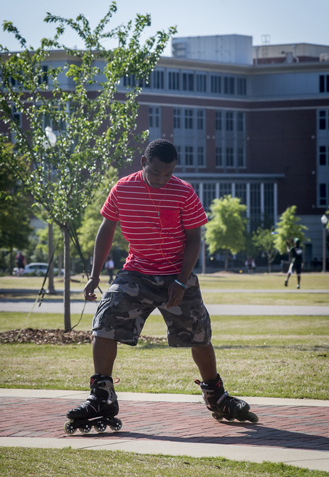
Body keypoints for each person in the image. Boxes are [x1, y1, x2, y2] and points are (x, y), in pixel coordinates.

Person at [66, 139, 255, 428]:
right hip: (137, 272)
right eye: (156, 173)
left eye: (168, 174)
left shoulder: (184, 192)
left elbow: (194, 241)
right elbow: (106, 229)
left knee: (199, 335)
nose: (162, 180)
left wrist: (181, 281)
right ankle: (101, 394)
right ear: (143, 162)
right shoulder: (123, 188)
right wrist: (94, 275)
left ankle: (215, 394)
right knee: (105, 321)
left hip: (177, 274)